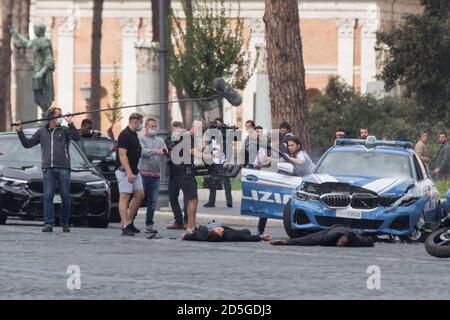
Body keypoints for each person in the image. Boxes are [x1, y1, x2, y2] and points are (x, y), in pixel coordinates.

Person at [15, 107, 80, 232]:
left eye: (61, 115)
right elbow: (27, 144)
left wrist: (71, 123)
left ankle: (65, 223)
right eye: (58, 115)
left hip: (64, 168)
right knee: (48, 196)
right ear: (51, 117)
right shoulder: (41, 132)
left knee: (66, 196)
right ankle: (48, 223)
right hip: (48, 168)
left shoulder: (65, 130)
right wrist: (19, 132)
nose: (61, 117)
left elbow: (76, 137)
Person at [115, 113, 145, 236]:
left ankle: (130, 221)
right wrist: (128, 172)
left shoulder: (134, 134)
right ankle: (125, 225)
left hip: (134, 170)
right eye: (140, 122)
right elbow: (122, 154)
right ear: (135, 122)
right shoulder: (124, 135)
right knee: (125, 197)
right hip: (125, 171)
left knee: (140, 195)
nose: (141, 125)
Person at [139, 118, 167, 234]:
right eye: (152, 126)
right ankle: (129, 222)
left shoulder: (160, 140)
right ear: (146, 127)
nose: (154, 128)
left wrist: (165, 151)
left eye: (155, 126)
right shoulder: (141, 139)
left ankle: (149, 225)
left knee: (153, 201)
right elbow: (142, 151)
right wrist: (156, 151)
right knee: (138, 199)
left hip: (155, 175)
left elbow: (165, 150)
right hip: (143, 174)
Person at [204, 118, 233, 208]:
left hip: (222, 162)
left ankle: (229, 201)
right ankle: (211, 202)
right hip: (213, 162)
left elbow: (229, 150)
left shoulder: (224, 137)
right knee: (212, 182)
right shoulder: (211, 138)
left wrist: (227, 161)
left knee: (226, 182)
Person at [166, 121, 189, 229]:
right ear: (172, 130)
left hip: (184, 172)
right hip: (173, 173)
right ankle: (178, 220)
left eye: (179, 130)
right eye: (175, 130)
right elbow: (168, 152)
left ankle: (187, 221)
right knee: (172, 198)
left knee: (187, 198)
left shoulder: (186, 140)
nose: (177, 132)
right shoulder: (168, 140)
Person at [270, 225, 375, 247]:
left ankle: (288, 241)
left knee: (317, 239)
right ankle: (288, 241)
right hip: (336, 230)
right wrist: (289, 242)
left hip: (341, 230)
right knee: (314, 238)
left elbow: (369, 241)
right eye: (340, 243)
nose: (339, 245)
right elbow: (311, 239)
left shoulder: (360, 241)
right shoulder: (331, 236)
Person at [180, 222, 272, 242]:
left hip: (208, 226)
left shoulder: (200, 235)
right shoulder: (227, 235)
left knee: (247, 232)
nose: (222, 230)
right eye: (221, 231)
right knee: (247, 232)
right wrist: (261, 237)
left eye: (219, 229)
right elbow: (244, 238)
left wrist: (184, 236)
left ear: (212, 229)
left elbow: (192, 236)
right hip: (232, 232)